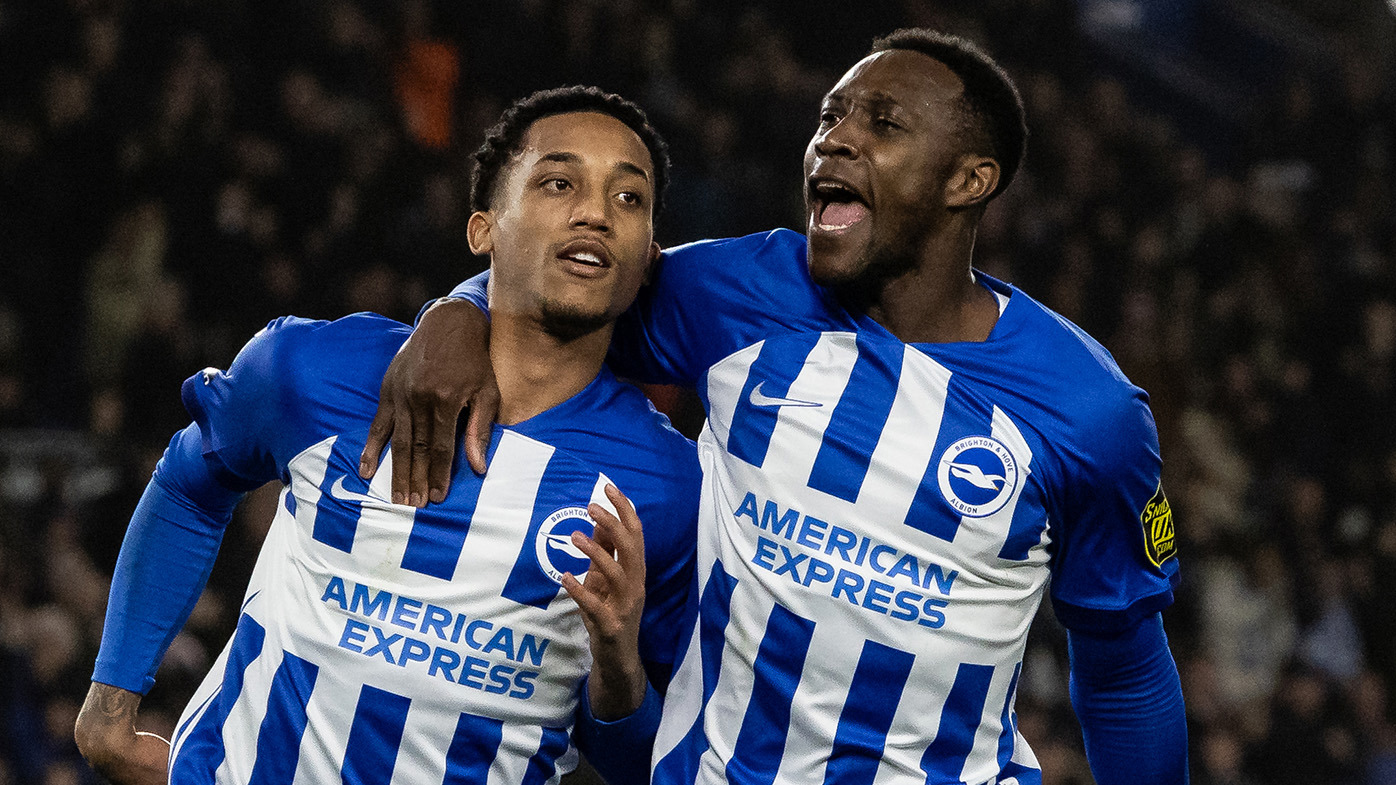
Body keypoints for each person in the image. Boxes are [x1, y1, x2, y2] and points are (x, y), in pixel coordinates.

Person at [365, 29, 1188, 785]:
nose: (836, 138)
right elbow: (565, 282)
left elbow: (1124, 670)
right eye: (830, 117)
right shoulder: (736, 293)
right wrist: (459, 310)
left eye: (884, 124)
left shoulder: (1089, 411)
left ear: (969, 180)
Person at [73, 86, 701, 785]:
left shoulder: (669, 488)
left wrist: (619, 672)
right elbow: (191, 484)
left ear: (649, 258)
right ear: (483, 229)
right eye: (559, 182)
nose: (595, 212)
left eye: (629, 199)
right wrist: (109, 705)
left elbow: (651, 760)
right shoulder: (313, 373)